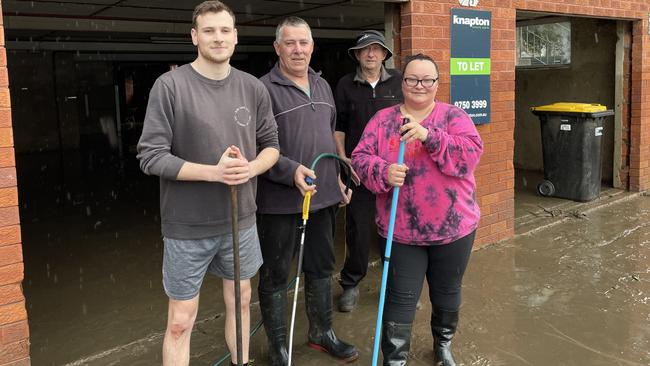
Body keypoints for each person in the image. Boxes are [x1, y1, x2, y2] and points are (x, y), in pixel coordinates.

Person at [136, 2, 280, 365]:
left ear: (235, 36)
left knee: (242, 301)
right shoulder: (170, 86)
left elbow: (272, 147)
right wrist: (214, 172)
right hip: (187, 226)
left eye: (225, 30)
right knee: (181, 321)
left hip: (241, 221)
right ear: (194, 36)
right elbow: (151, 156)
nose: (218, 37)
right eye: (209, 30)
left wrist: (251, 168)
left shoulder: (252, 88)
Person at [351, 53, 483, 366]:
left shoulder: (454, 117)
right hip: (401, 230)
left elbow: (469, 157)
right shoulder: (383, 121)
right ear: (402, 82)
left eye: (427, 79)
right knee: (400, 297)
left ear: (437, 84)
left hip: (454, 229)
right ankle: (395, 358)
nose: (419, 85)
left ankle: (443, 345)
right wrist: (383, 172)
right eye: (412, 79)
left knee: (447, 291)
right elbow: (359, 159)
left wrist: (430, 136)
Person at [256, 16, 359, 366]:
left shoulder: (323, 85)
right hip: (280, 201)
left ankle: (321, 332)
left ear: (312, 46)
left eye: (304, 42)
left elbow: (329, 139)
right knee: (275, 273)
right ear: (277, 48)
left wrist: (339, 179)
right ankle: (278, 348)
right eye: (290, 43)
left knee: (321, 266)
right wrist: (289, 172)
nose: (298, 49)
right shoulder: (262, 89)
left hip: (323, 197)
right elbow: (257, 148)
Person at [334, 30, 403, 312]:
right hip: (359, 169)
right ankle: (351, 283)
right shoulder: (345, 85)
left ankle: (398, 285)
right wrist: (343, 160)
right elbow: (338, 127)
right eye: (365, 50)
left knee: (398, 229)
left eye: (377, 49)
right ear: (357, 55)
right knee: (359, 229)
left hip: (392, 170)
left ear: (385, 54)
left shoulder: (399, 81)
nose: (371, 54)